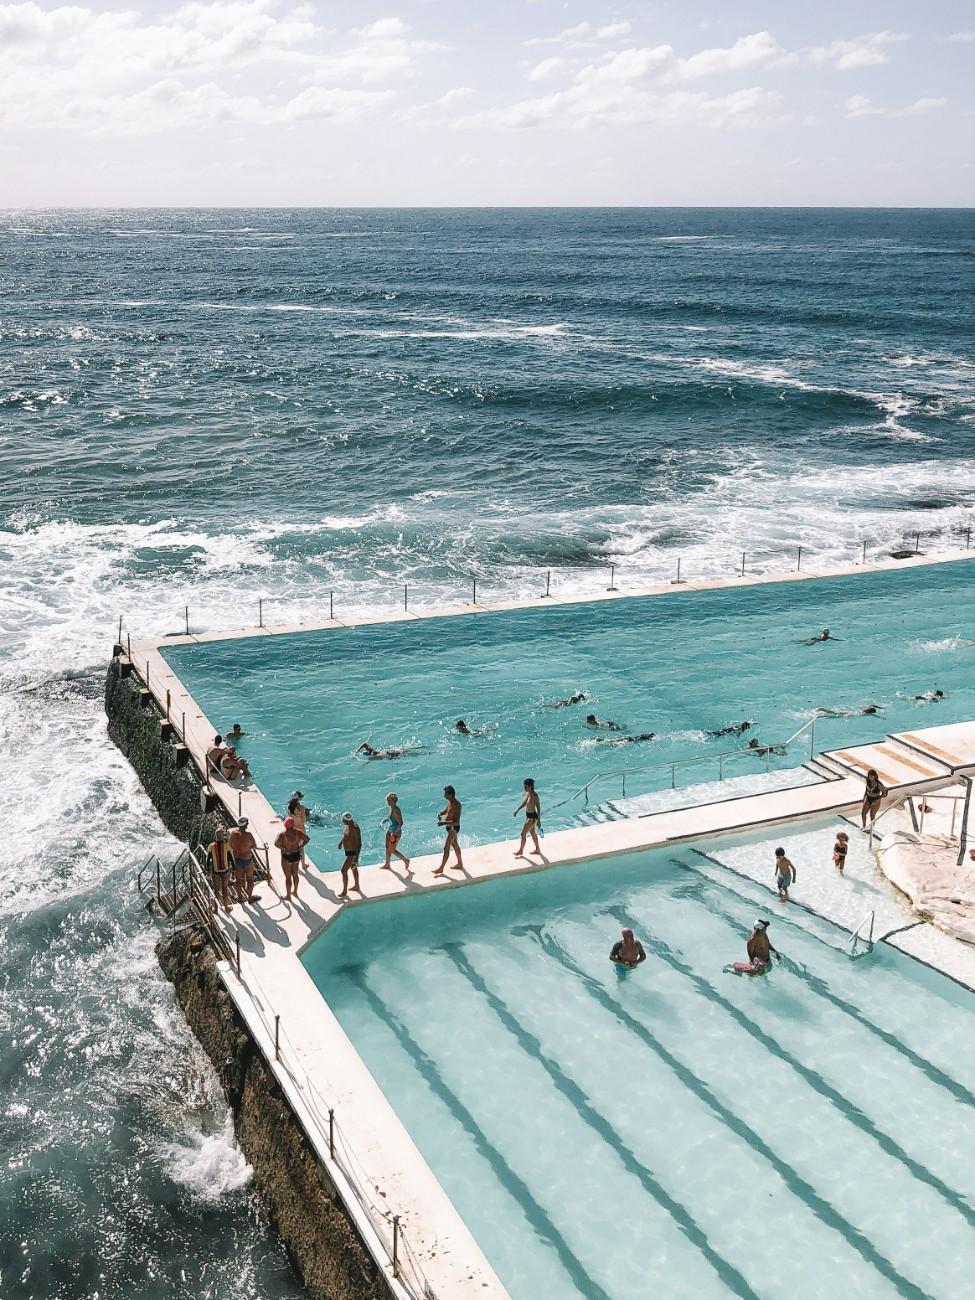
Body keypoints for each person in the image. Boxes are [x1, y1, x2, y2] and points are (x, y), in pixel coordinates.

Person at [275, 816, 308, 901]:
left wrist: (283, 848)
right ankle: (295, 891)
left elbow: (276, 844)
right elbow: (307, 839)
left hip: (287, 856)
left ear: (285, 825)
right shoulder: (298, 833)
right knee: (295, 875)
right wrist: (301, 846)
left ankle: (288, 896)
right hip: (296, 855)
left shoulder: (282, 835)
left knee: (288, 877)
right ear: (293, 825)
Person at [433, 785, 464, 876]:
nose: (444, 795)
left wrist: (443, 823)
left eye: (445, 794)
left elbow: (456, 822)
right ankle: (460, 863)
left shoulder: (457, 805)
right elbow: (446, 811)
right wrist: (440, 814)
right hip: (449, 827)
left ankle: (441, 868)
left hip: (453, 829)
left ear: (450, 794)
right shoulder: (450, 802)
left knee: (446, 847)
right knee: (455, 845)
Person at [229, 816, 260, 904]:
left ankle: (240, 898)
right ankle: (250, 898)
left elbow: (230, 845)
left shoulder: (233, 834)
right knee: (250, 879)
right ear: (245, 825)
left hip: (237, 860)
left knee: (238, 880)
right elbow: (254, 846)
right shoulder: (249, 835)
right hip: (247, 859)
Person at [205, 825, 233, 913]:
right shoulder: (227, 845)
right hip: (225, 871)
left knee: (216, 889)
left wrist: (208, 870)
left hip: (215, 871)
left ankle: (216, 909)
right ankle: (226, 907)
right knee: (225, 888)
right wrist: (234, 869)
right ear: (222, 836)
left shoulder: (211, 846)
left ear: (215, 836)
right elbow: (231, 858)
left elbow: (208, 859)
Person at [514, 777, 542, 857]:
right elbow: (525, 803)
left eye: (526, 787)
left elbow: (538, 808)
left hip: (532, 818)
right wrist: (517, 810)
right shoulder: (527, 794)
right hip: (528, 816)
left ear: (530, 786)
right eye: (524, 787)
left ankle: (521, 851)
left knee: (523, 834)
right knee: (532, 833)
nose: (524, 788)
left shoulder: (534, 795)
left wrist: (539, 821)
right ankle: (537, 849)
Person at [382, 792, 410, 871]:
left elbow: (401, 823)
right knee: (387, 847)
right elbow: (392, 819)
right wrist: (385, 820)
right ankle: (387, 864)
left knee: (392, 849)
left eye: (388, 800)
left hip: (395, 833)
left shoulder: (396, 810)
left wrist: (394, 833)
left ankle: (405, 860)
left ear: (393, 801)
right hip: (390, 830)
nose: (387, 802)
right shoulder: (391, 808)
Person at [337, 812, 362, 899]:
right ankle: (357, 885)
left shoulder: (355, 829)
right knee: (353, 868)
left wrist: (356, 858)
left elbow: (359, 844)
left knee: (343, 871)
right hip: (348, 851)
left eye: (343, 820)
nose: (343, 822)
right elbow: (346, 835)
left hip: (352, 853)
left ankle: (344, 891)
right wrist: (341, 842)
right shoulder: (348, 825)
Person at [287, 791, 310, 866]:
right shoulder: (301, 808)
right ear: (299, 798)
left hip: (292, 829)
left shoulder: (289, 807)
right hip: (300, 829)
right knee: (301, 847)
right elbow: (304, 820)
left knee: (294, 847)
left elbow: (290, 818)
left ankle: (292, 862)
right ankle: (303, 864)